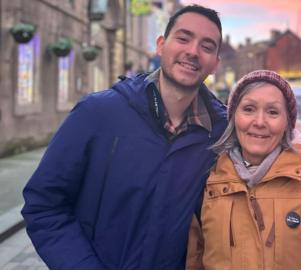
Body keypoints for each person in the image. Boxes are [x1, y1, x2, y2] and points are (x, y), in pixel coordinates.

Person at [21, 5, 227, 270]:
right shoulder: (98, 113)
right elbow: (44, 205)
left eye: (207, 46)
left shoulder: (220, 135)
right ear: (161, 45)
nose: (193, 52)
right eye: (183, 38)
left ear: (215, 64)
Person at [185, 70, 301, 270]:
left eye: (273, 112)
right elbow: (193, 260)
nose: (259, 122)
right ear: (233, 117)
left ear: (288, 122)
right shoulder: (206, 179)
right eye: (248, 109)